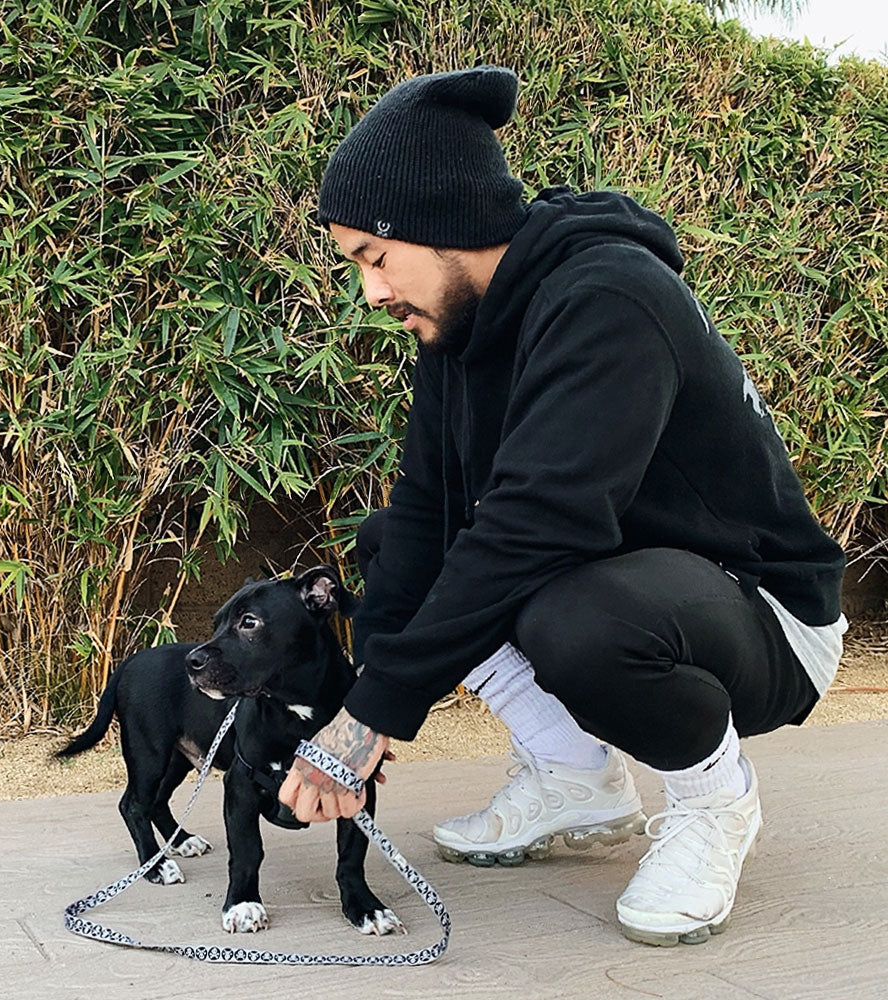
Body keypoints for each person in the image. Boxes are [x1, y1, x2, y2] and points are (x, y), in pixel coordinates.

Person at [278, 65, 847, 946]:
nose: (373, 293)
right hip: (631, 584)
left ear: (443, 225)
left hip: (767, 614)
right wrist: (358, 708)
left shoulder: (610, 297)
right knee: (397, 543)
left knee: (574, 618)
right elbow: (431, 514)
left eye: (376, 258)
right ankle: (573, 775)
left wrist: (378, 713)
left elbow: (540, 525)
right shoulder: (458, 333)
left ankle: (714, 803)